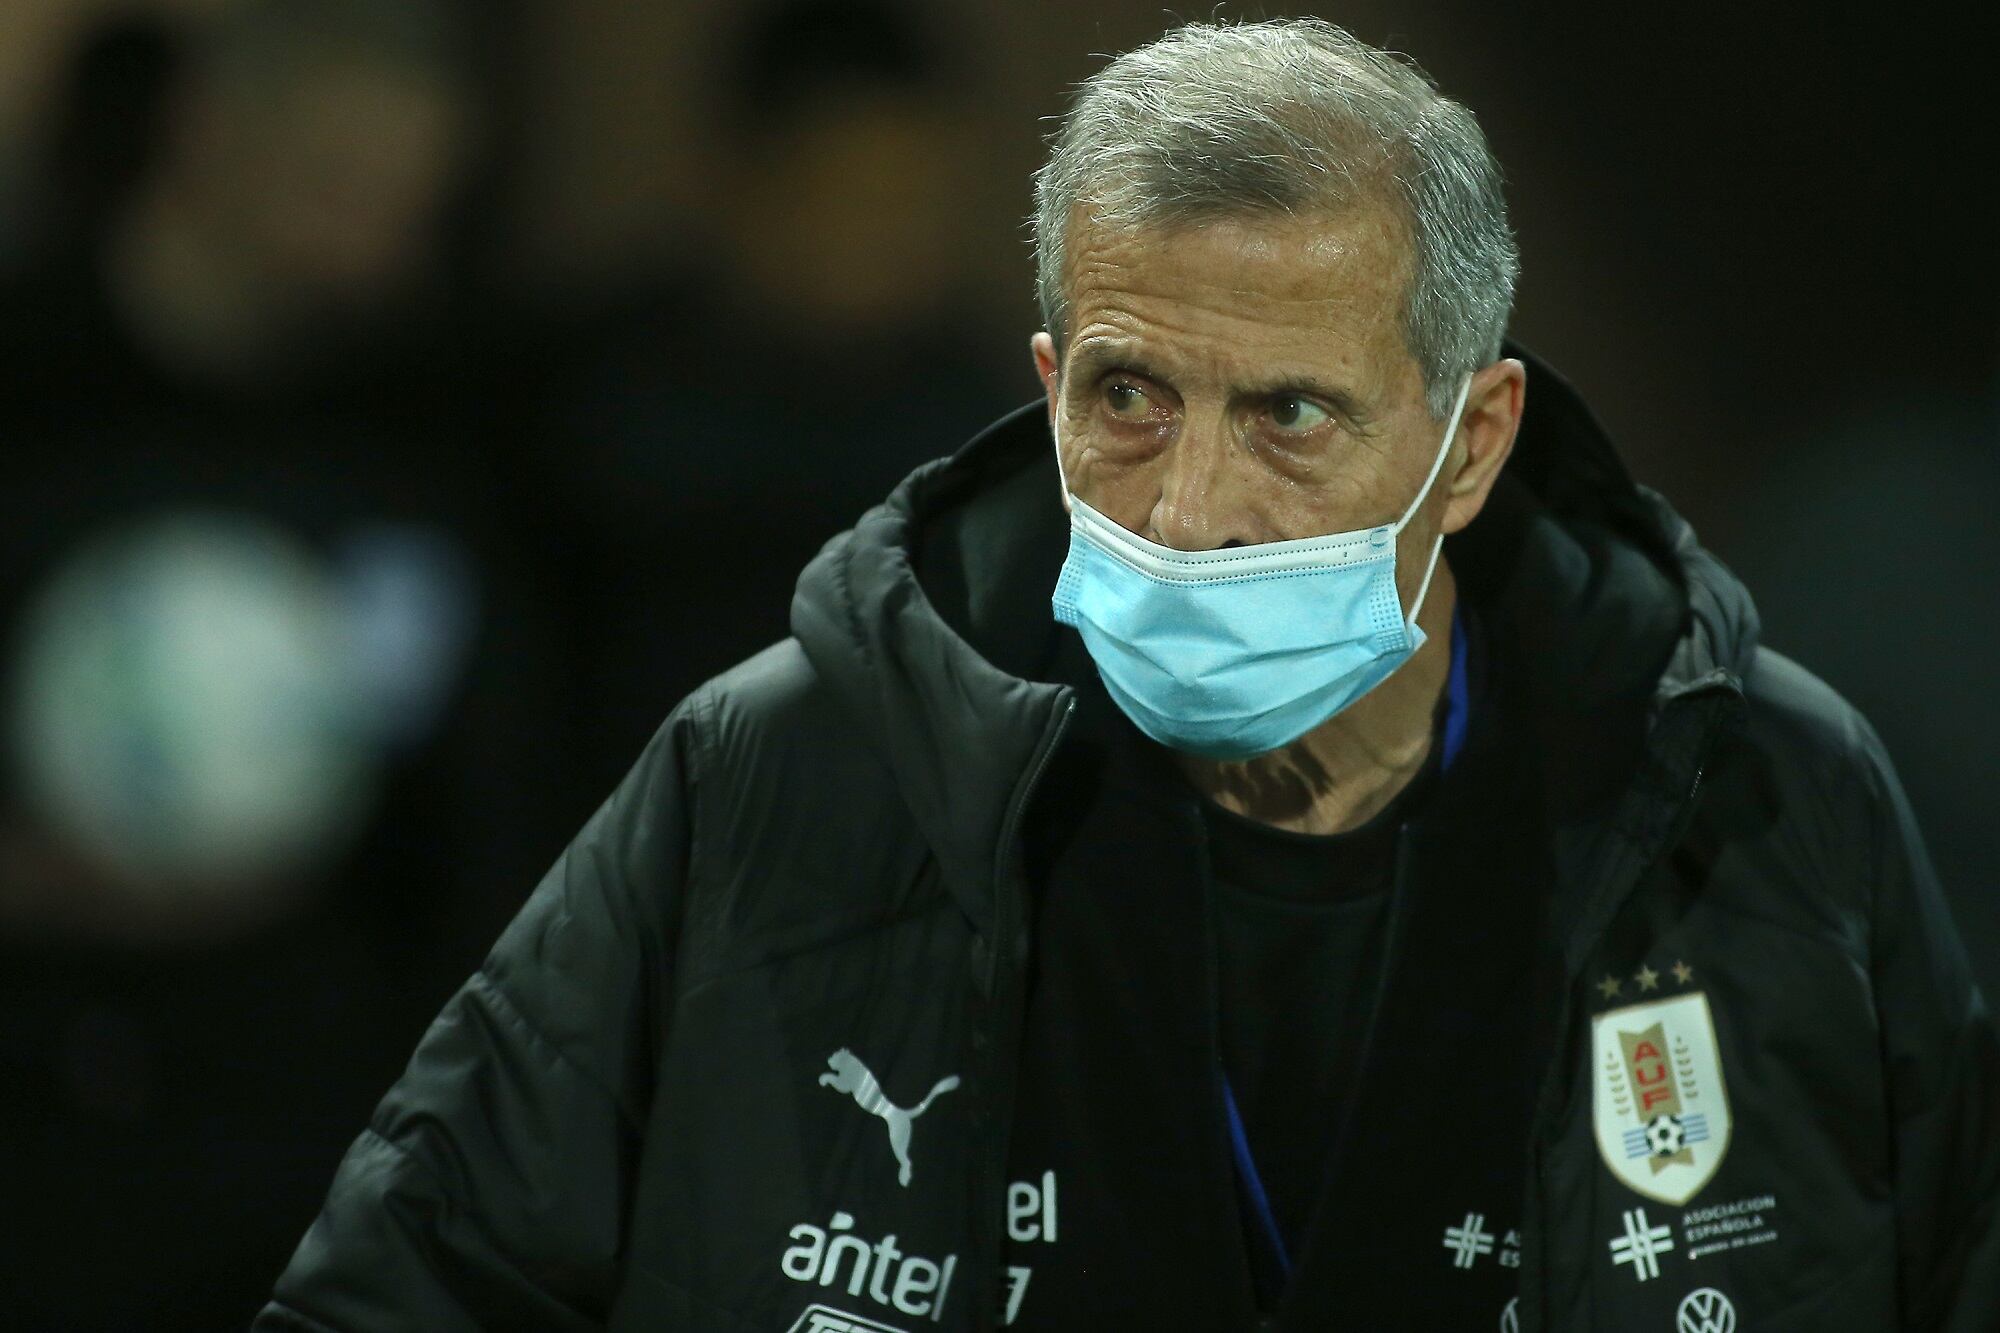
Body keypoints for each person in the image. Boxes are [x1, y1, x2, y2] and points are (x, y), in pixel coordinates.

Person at [256, 18, 2000, 1332]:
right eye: (1129, 398)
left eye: (1293, 416)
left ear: (1471, 448)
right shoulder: (779, 782)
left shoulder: (1761, 800)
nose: (1191, 508)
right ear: (1043, 380)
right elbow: (405, 1287)